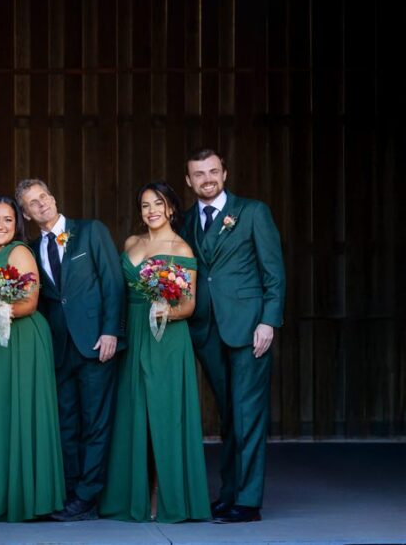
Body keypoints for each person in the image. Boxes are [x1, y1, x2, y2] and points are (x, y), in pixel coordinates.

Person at [180, 147, 285, 523]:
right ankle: (228, 492)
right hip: (206, 330)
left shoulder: (252, 212)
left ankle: (248, 500)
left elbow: (273, 271)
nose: (207, 179)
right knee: (228, 415)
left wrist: (268, 321)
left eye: (212, 171)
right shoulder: (188, 221)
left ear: (224, 172)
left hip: (248, 328)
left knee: (249, 414)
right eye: (198, 174)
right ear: (189, 180)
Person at [100, 182, 210, 523]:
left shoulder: (182, 249)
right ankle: (135, 495)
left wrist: (166, 312)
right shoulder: (132, 243)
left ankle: (168, 498)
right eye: (145, 205)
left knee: (164, 417)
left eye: (158, 204)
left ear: (171, 208)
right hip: (133, 333)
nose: (151, 211)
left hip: (166, 339)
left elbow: (189, 305)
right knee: (134, 414)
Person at [15, 179, 125, 521]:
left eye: (44, 197)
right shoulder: (31, 250)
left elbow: (113, 283)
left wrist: (111, 332)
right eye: (32, 203)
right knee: (66, 422)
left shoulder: (90, 231)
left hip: (95, 343)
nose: (41, 205)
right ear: (26, 213)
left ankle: (88, 496)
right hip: (60, 349)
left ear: (53, 196)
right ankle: (70, 488)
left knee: (96, 422)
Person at [0, 196, 65, 522]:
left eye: (8, 219)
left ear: (17, 223)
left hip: (18, 340)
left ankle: (23, 498)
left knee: (15, 412)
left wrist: (5, 309)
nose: (0, 226)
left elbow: (31, 301)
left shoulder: (19, 251)